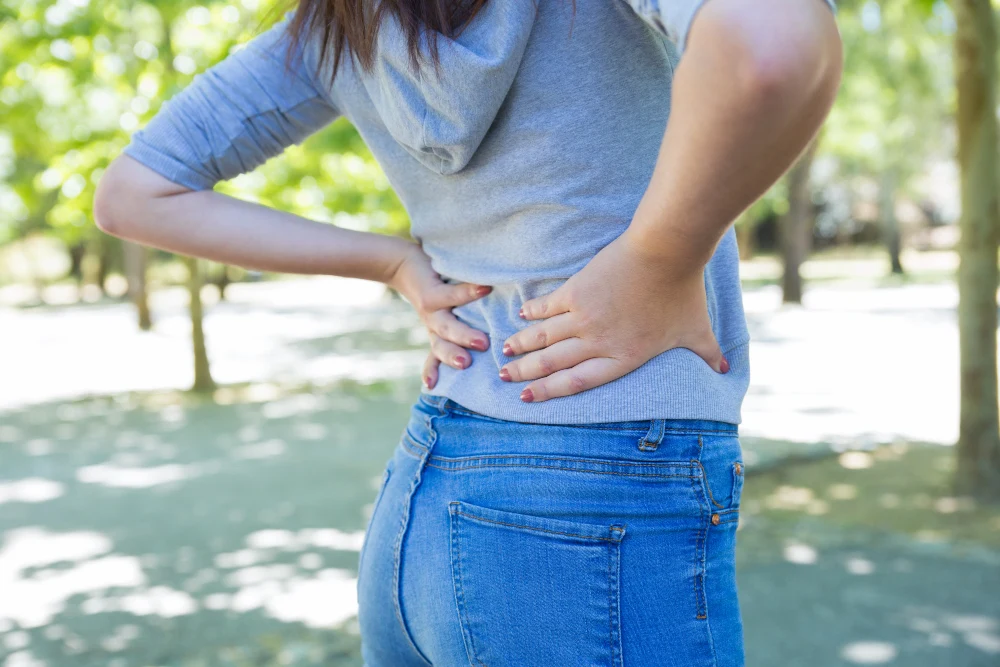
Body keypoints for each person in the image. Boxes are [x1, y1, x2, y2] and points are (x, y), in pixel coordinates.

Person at [94, 0, 842, 664]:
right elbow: (771, 42)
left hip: (422, 503)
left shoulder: (337, 23)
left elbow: (134, 193)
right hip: (599, 491)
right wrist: (659, 258)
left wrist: (390, 261)